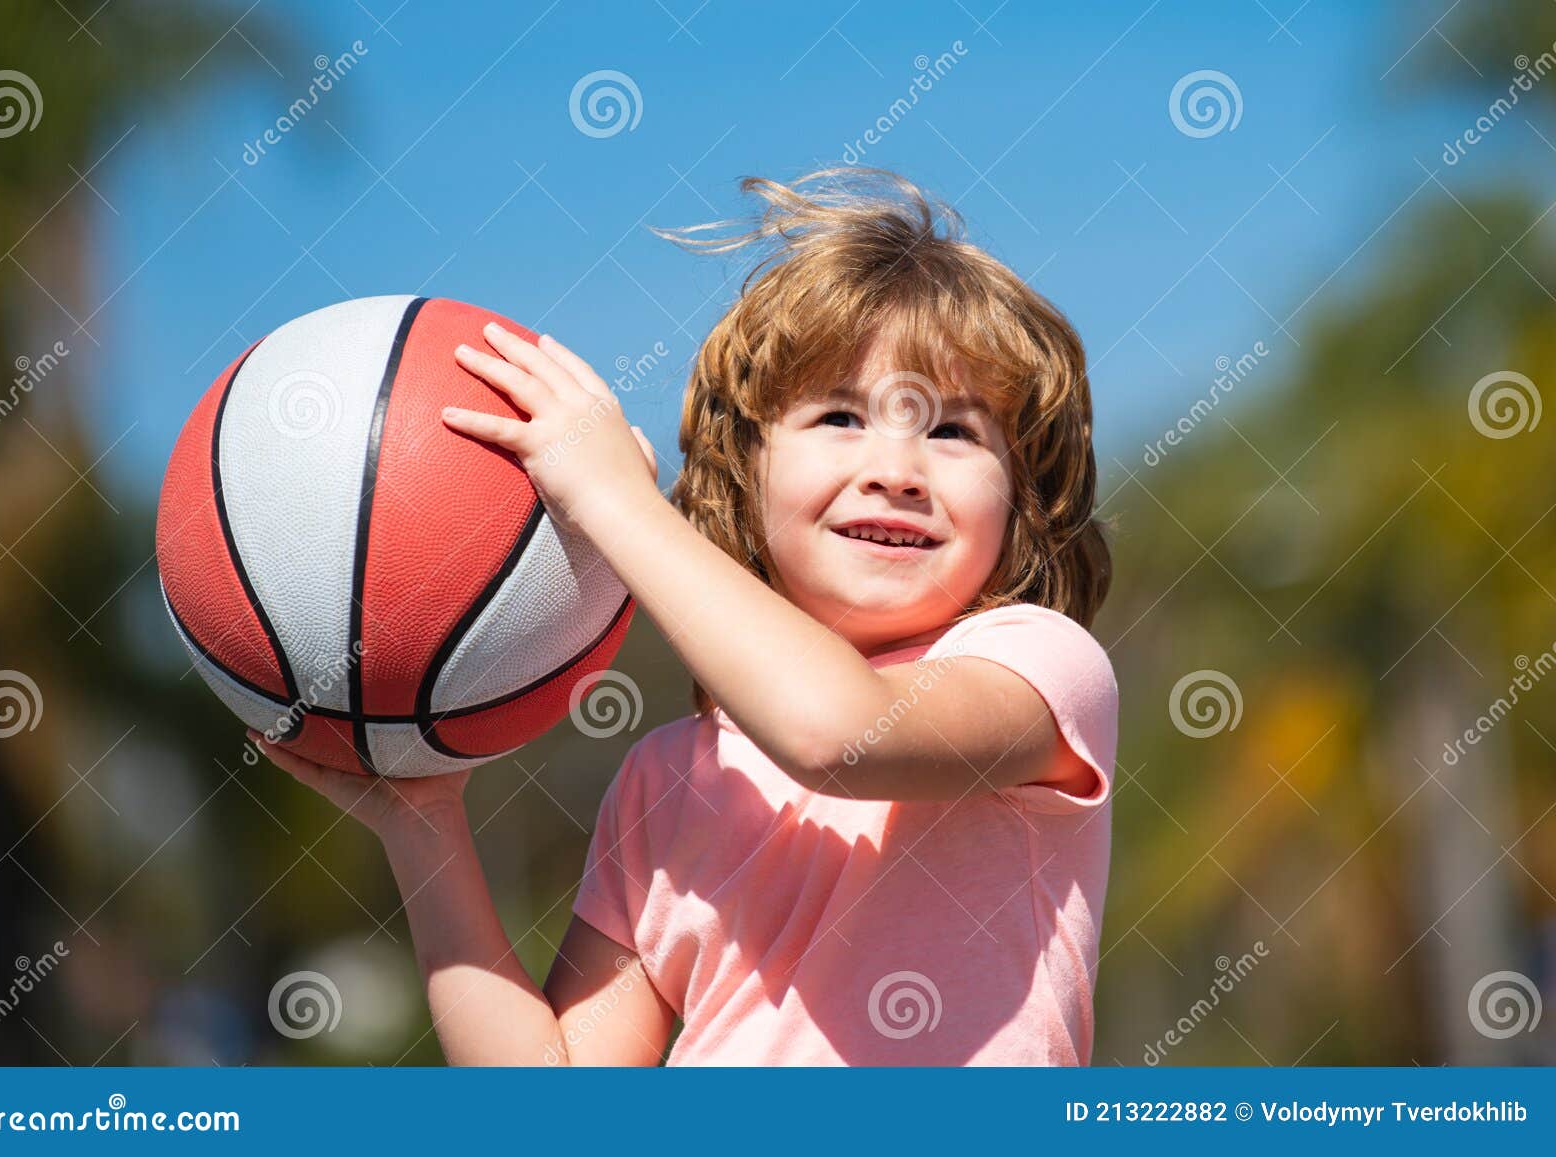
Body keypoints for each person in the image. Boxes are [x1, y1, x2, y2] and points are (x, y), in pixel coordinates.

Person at [250, 166, 1118, 1065]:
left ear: (1020, 501)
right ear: (746, 473)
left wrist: (616, 503)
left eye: (952, 431)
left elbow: (838, 733)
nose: (896, 469)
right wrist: (422, 824)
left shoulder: (1040, 666)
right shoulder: (667, 779)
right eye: (839, 416)